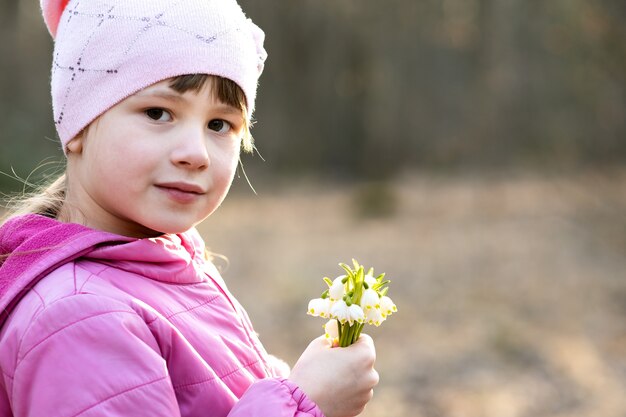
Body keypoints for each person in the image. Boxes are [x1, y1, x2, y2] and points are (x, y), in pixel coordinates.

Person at [0, 1, 379, 416]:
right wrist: (307, 404)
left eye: (219, 124)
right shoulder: (78, 318)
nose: (195, 154)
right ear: (78, 126)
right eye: (159, 113)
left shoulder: (167, 262)